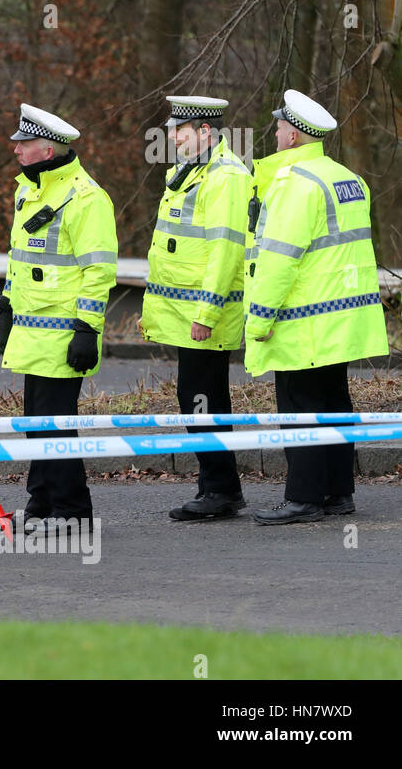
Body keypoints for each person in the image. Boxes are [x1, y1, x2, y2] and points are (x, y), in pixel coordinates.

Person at [245, 90, 390, 524]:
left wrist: (260, 317)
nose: (274, 132)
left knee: (300, 407)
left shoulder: (294, 185)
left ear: (293, 136)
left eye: (279, 127)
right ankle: (337, 493)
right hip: (342, 319)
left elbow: (278, 258)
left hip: (302, 322)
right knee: (334, 403)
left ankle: (304, 498)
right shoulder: (349, 178)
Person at [0, 104, 118, 525]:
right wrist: (5, 306)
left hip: (63, 335)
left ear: (47, 151)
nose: (16, 152)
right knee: (38, 427)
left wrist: (87, 330)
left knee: (56, 430)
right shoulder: (28, 190)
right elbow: (19, 257)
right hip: (31, 331)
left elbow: (98, 272)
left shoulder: (85, 197)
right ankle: (41, 502)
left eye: (23, 144)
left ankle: (72, 511)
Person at [139, 96, 250, 520]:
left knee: (203, 397)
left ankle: (220, 491)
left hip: (203, 316)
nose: (170, 136)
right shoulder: (188, 173)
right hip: (182, 314)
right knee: (197, 396)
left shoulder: (225, 176)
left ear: (205, 132)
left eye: (179, 130)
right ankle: (218, 488)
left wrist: (206, 313)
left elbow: (225, 251)